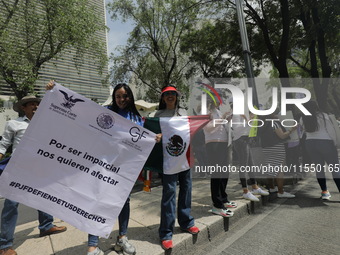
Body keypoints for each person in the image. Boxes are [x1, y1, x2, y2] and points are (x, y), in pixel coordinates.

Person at [0, 96, 67, 255]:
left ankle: (46, 226)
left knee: (44, 196)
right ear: (23, 108)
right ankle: (4, 246)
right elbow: (2, 147)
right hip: (19, 168)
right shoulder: (13, 124)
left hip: (40, 167)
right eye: (32, 104)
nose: (36, 106)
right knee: (11, 204)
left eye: (38, 103)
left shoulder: (44, 125)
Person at [155, 85, 200, 250]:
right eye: (167, 94)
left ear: (176, 96)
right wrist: (157, 136)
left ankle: (186, 222)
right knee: (169, 194)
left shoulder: (184, 113)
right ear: (163, 98)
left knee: (187, 190)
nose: (170, 96)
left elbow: (190, 133)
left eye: (173, 94)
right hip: (169, 162)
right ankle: (166, 233)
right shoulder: (158, 115)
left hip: (185, 159)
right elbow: (154, 134)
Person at [228, 100, 269, 201]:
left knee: (251, 164)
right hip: (240, 141)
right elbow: (238, 130)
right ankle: (245, 191)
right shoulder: (236, 114)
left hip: (244, 140)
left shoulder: (239, 114)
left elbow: (246, 128)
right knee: (244, 166)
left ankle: (255, 187)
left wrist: (249, 120)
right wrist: (249, 120)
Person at [300, 101, 340, 200]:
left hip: (310, 143)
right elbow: (331, 131)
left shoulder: (303, 118)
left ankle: (325, 192)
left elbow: (303, 131)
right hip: (325, 142)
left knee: (319, 169)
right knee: (335, 168)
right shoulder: (324, 116)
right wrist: (335, 144)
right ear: (316, 107)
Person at [203, 99, 236, 218]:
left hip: (224, 143)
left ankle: (223, 199)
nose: (218, 101)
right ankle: (217, 205)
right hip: (213, 144)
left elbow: (221, 125)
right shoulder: (206, 111)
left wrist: (227, 120)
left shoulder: (217, 111)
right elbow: (208, 128)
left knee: (224, 172)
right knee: (217, 173)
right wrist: (222, 117)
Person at [258, 110, 296, 198]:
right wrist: (291, 129)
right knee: (280, 169)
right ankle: (281, 192)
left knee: (270, 167)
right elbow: (282, 135)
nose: (276, 115)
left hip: (266, 148)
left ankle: (272, 187)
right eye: (273, 113)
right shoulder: (274, 123)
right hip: (277, 148)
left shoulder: (261, 124)